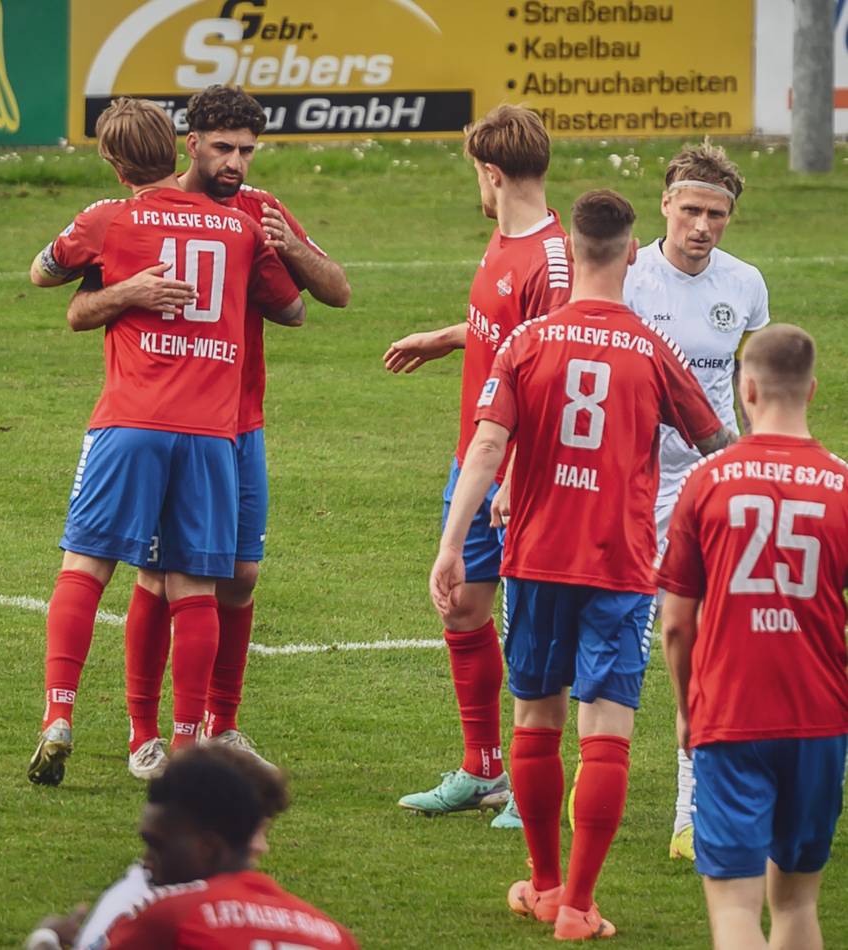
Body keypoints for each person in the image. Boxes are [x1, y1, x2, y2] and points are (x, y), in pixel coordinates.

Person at [431, 189, 733, 939]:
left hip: (534, 558)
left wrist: (451, 540)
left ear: (575, 250)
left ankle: (542, 883)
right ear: (632, 253)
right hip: (622, 564)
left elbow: (489, 447)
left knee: (535, 720)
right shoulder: (653, 350)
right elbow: (716, 449)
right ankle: (579, 906)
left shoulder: (529, 341)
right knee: (607, 732)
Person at [66, 85, 350, 781]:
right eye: (223, 148)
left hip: (238, 424)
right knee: (161, 576)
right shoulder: (140, 213)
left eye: (248, 151)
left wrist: (290, 251)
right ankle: (145, 733)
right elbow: (78, 302)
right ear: (189, 144)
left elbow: (334, 292)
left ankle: (221, 725)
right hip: (179, 421)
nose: (237, 163)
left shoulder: (259, 210)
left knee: (239, 574)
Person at [383, 104, 572, 827]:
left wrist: (516, 476)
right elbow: (510, 337)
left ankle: (530, 784)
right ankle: (482, 768)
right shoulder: (503, 239)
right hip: (476, 460)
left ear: (492, 172)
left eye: (478, 177)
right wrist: (451, 336)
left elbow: (553, 374)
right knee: (461, 605)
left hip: (518, 473)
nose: (480, 189)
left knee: (530, 629)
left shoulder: (552, 262)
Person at [657, 324, 848, 950]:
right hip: (819, 721)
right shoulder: (844, 486)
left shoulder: (706, 483)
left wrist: (688, 712)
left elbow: (678, 623)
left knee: (736, 909)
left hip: (731, 715)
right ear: (812, 390)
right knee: (795, 904)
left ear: (748, 388)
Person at [622, 140, 770, 861]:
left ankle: (691, 808)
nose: (703, 226)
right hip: (624, 484)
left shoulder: (744, 285)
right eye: (691, 210)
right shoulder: (627, 277)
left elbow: (753, 385)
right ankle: (560, 787)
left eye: (716, 214)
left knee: (704, 649)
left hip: (709, 487)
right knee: (619, 642)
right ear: (666, 205)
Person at [24, 746, 358, 949]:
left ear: (208, 848)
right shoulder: (334, 936)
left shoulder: (169, 919)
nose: (147, 862)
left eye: (157, 845)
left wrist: (44, 941)